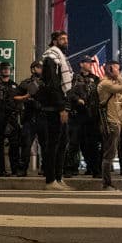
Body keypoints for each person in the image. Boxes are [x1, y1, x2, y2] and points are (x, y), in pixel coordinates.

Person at [38, 31, 73, 190]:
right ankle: (50, 180)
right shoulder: (51, 58)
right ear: (54, 41)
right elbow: (53, 85)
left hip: (60, 106)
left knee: (62, 143)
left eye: (66, 39)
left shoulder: (60, 58)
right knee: (53, 144)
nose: (65, 41)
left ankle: (58, 178)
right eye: (62, 39)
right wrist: (61, 108)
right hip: (53, 109)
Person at [97, 60, 122, 189]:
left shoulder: (109, 84)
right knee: (109, 154)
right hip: (110, 122)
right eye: (116, 69)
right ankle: (106, 183)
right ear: (110, 70)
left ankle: (107, 183)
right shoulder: (105, 84)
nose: (119, 71)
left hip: (114, 121)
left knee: (110, 153)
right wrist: (117, 76)